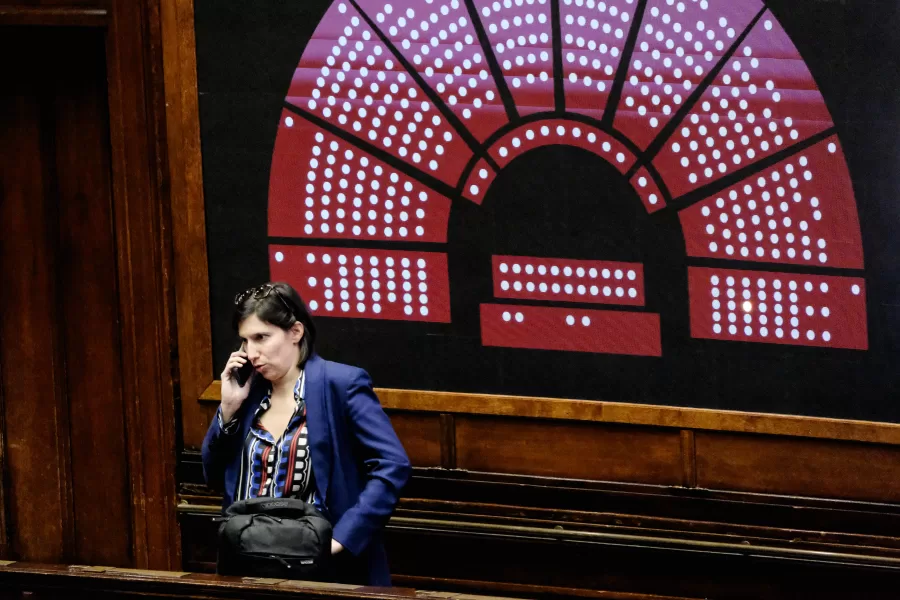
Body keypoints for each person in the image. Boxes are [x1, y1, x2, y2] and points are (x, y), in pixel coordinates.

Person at [201, 282, 411, 586]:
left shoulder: (341, 384)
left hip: (322, 568)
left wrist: (342, 538)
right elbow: (212, 475)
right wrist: (228, 410)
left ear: (296, 332)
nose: (251, 352)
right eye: (245, 341)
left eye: (261, 337)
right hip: (249, 563)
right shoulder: (246, 394)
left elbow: (393, 466)